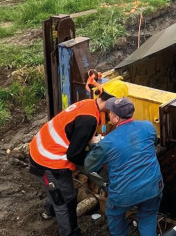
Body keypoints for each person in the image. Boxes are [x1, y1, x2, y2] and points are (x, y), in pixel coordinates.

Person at [28, 81, 126, 236]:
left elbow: (75, 131)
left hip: (42, 147)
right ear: (112, 102)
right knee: (67, 201)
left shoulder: (88, 104)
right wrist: (91, 164)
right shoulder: (89, 120)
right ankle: (71, 232)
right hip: (47, 160)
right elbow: (74, 155)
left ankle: (50, 209)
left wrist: (91, 140)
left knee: (59, 189)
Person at [85, 97, 163, 236]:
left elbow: (89, 165)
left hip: (124, 193)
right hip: (152, 187)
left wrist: (93, 144)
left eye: (110, 113)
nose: (108, 114)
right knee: (148, 218)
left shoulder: (107, 142)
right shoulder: (148, 126)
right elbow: (153, 141)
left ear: (116, 118)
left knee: (114, 214)